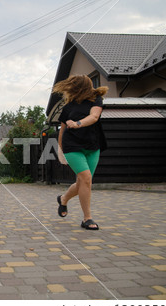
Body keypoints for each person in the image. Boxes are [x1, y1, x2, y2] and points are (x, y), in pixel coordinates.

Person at [53, 75, 108, 230]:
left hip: (92, 145)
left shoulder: (96, 99)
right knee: (86, 178)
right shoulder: (68, 107)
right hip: (72, 146)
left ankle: (63, 199)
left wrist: (78, 123)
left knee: (84, 182)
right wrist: (60, 149)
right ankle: (87, 219)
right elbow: (62, 131)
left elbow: (94, 116)